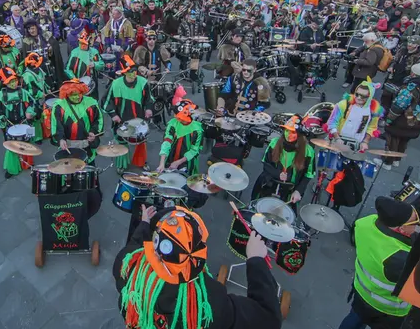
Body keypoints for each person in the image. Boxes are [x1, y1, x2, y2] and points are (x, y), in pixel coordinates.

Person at [113, 206, 282, 329]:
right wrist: (256, 260)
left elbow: (134, 246)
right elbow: (268, 318)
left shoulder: (128, 263)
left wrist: (144, 224)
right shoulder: (210, 300)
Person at [339, 196, 419, 329]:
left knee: (353, 321)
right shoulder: (399, 258)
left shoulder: (365, 223)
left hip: (361, 293)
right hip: (387, 311)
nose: (418, 224)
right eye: (414, 221)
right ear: (401, 229)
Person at [102, 55, 154, 171]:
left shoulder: (143, 82)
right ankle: (121, 165)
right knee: (121, 142)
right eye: (130, 72)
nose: (133, 74)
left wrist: (149, 108)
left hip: (139, 119)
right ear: (124, 73)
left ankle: (141, 162)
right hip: (122, 120)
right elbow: (106, 101)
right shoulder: (115, 84)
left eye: (134, 71)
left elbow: (150, 99)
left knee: (141, 141)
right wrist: (113, 114)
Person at [380, 63, 420, 170]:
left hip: (403, 120)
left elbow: (399, 106)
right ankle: (397, 160)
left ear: (413, 73)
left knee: (393, 139)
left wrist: (389, 119)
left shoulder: (410, 87)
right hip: (418, 120)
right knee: (404, 141)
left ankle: (387, 162)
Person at [251, 115, 314, 204]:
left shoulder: (308, 152)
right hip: (269, 183)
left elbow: (308, 175)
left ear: (300, 134)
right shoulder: (274, 143)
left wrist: (298, 191)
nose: (288, 134)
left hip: (291, 189)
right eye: (287, 130)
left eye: (292, 132)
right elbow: (266, 164)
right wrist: (278, 174)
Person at [0, 67, 35, 178]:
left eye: (14, 80)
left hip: (24, 122)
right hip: (9, 125)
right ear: (4, 83)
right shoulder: (1, 95)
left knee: (28, 143)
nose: (13, 83)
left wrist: (30, 112)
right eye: (10, 81)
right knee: (11, 147)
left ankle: (27, 163)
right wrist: (1, 118)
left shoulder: (23, 92)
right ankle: (12, 168)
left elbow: (33, 103)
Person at [51, 78, 104, 164]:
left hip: (86, 145)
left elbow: (98, 120)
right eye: (73, 94)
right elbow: (57, 124)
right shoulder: (59, 106)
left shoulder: (91, 103)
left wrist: (93, 132)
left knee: (89, 172)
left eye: (79, 94)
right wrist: (60, 139)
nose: (77, 97)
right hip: (67, 146)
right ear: (67, 94)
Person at [324, 79, 383, 152]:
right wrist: (337, 138)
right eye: (357, 94)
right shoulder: (343, 104)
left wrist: (365, 142)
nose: (359, 98)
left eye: (363, 96)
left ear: (369, 97)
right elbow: (332, 122)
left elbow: (371, 127)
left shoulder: (374, 111)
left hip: (356, 146)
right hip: (337, 140)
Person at [157, 98, 203, 175]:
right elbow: (167, 142)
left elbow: (194, 150)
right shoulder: (172, 124)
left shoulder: (197, 130)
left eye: (178, 115)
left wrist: (178, 162)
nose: (175, 116)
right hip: (170, 157)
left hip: (187, 161)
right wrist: (162, 163)